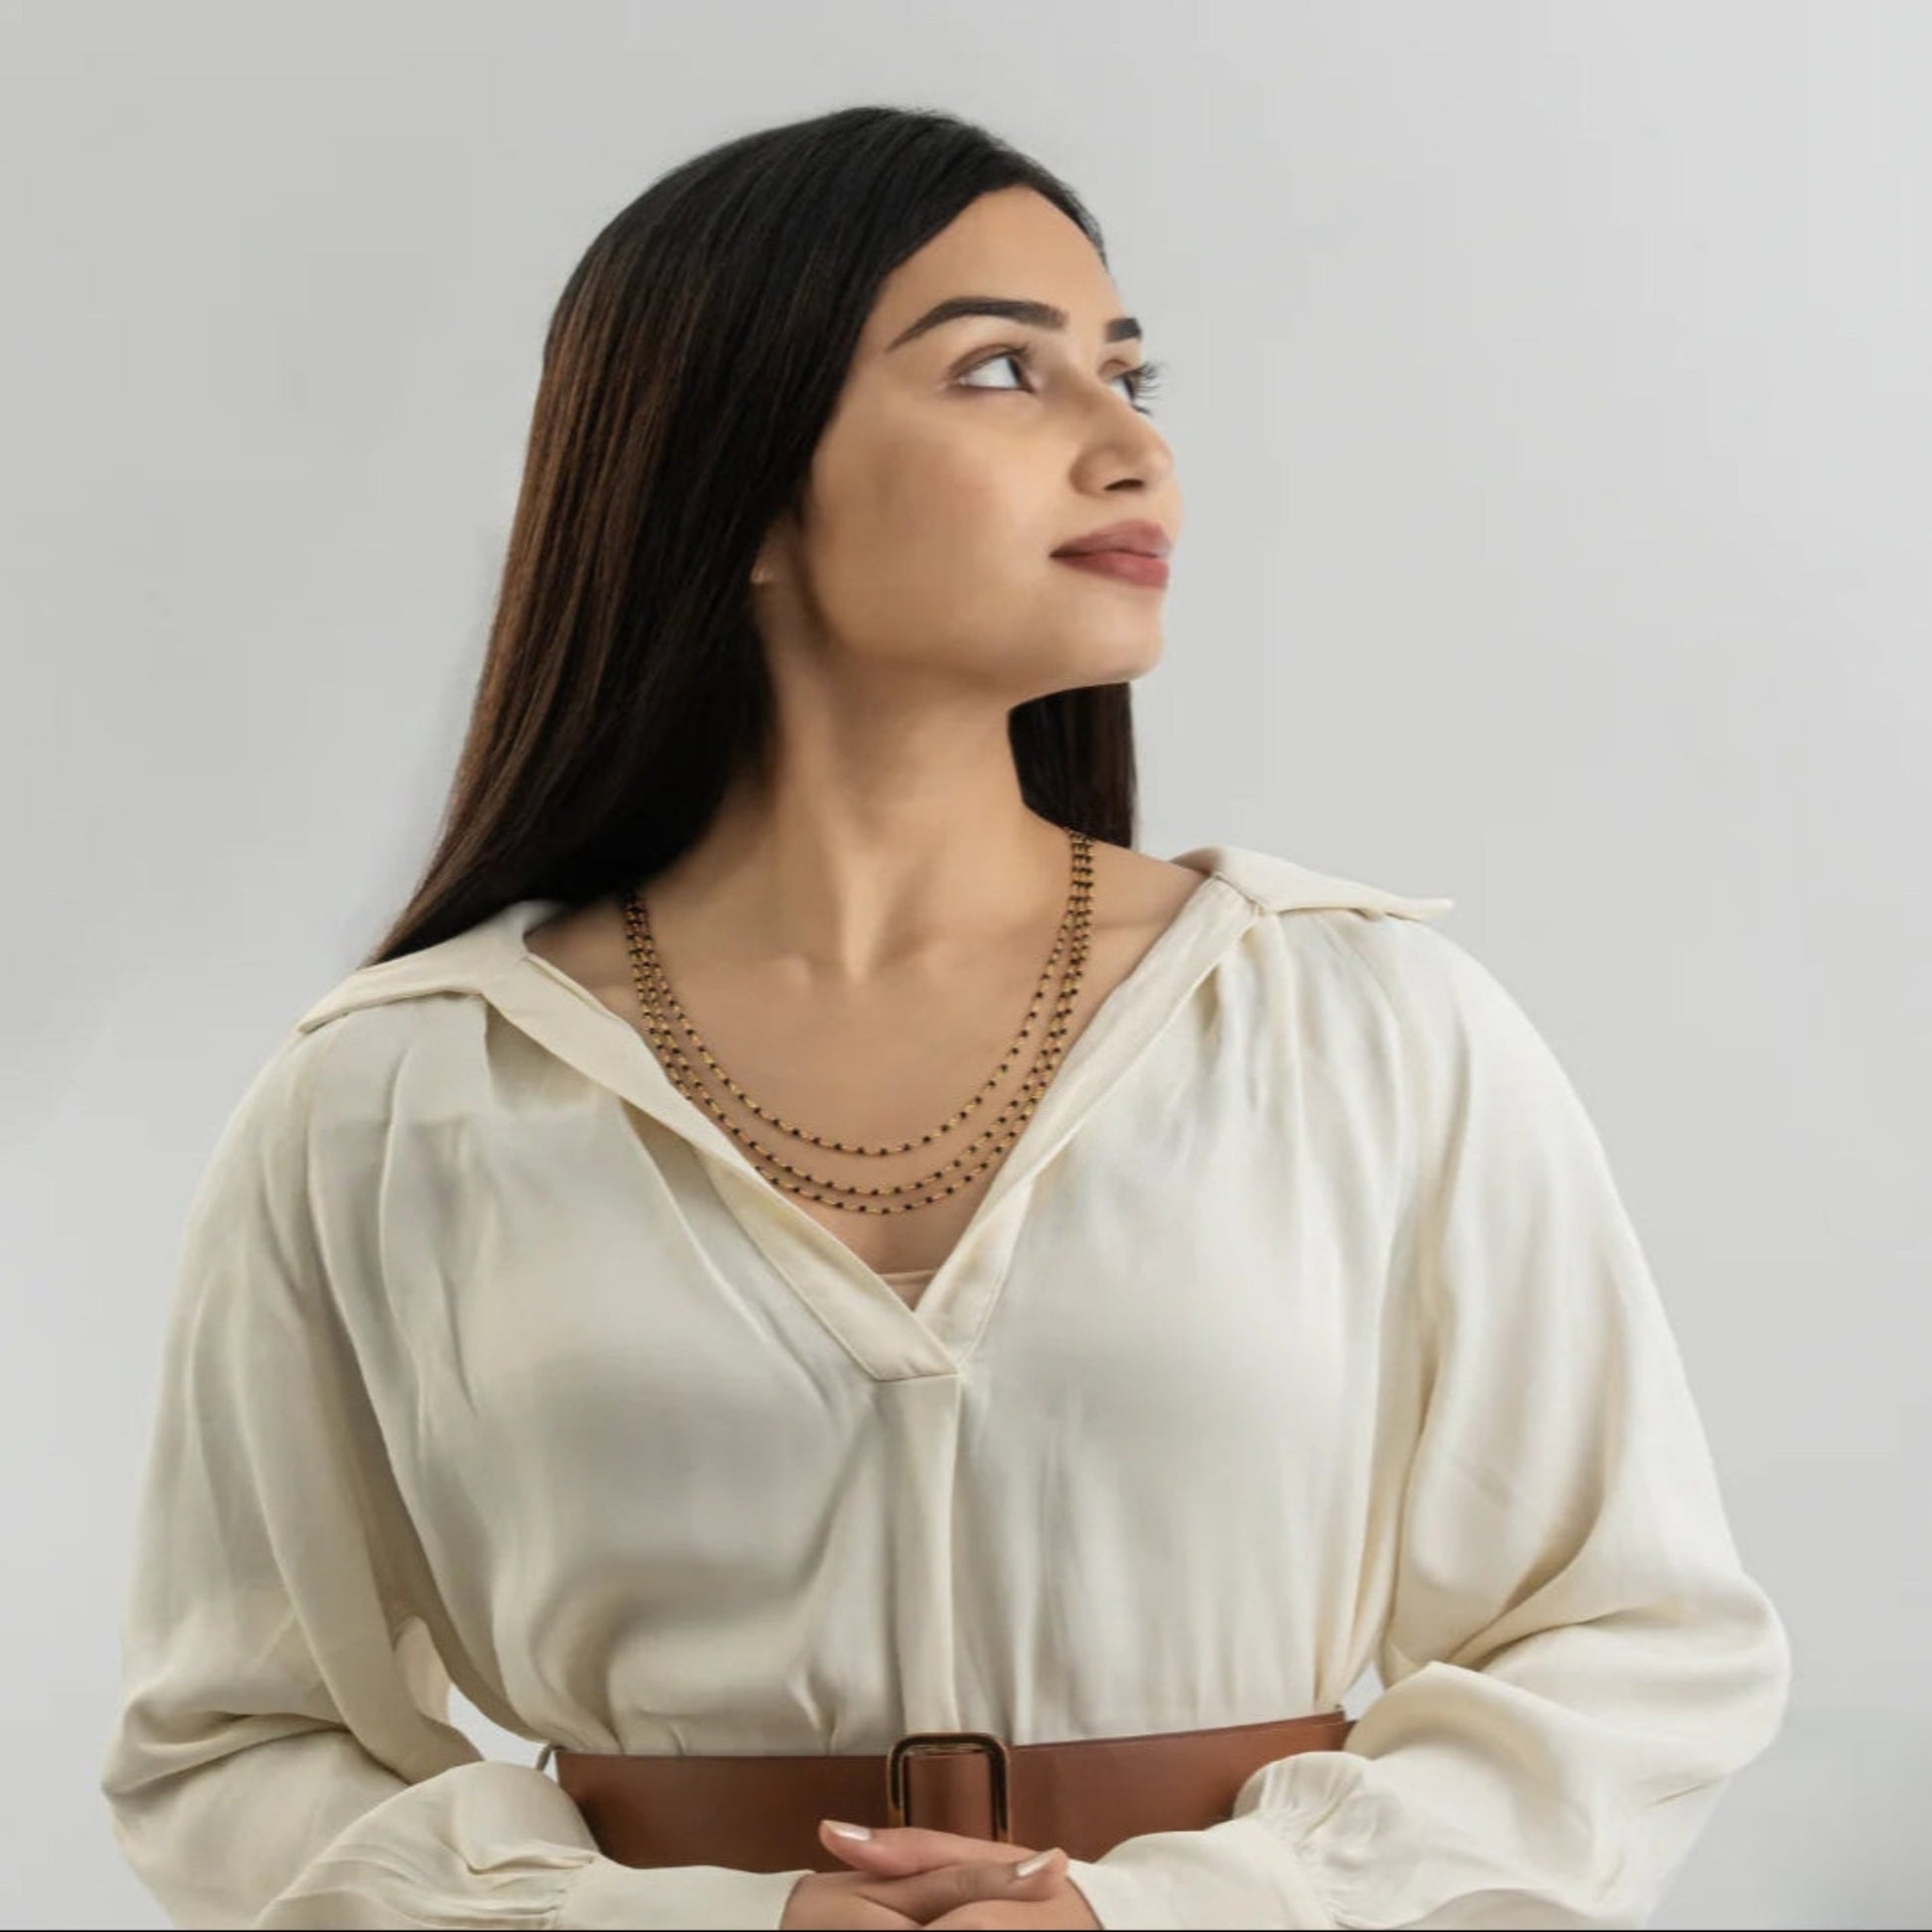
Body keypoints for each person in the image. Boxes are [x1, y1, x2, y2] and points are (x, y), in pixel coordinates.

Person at [98, 105, 1790, 1930]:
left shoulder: (1359, 1023)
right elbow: (233, 1748)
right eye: (1003, 369)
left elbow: (1629, 1644)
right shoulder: (396, 1094)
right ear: (730, 481)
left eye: (1129, 372)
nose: (1133, 446)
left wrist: (1171, 1910)